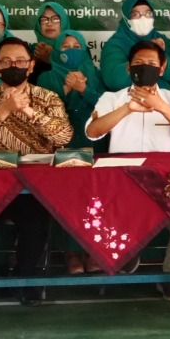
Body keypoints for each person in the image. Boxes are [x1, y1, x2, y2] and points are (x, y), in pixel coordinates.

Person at [0, 38, 74, 306]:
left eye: (20, 61)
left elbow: (64, 136)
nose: (14, 66)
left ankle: (25, 280)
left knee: (35, 222)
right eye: (6, 62)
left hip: (33, 187)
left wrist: (29, 111)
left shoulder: (48, 98)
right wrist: (2, 111)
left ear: (31, 66)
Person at [87, 41, 170, 300]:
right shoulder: (111, 98)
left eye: (151, 64)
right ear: (128, 68)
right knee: (101, 217)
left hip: (164, 183)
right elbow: (93, 132)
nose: (144, 68)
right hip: (121, 183)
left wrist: (161, 107)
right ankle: (128, 255)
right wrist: (127, 108)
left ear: (162, 69)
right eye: (138, 64)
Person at [36, 29, 107, 275]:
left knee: (95, 197)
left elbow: (106, 106)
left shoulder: (97, 75)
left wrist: (84, 89)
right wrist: (65, 90)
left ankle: (93, 250)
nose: (71, 50)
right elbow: (43, 111)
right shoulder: (46, 78)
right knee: (66, 198)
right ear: (56, 51)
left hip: (94, 144)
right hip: (61, 146)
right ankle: (71, 252)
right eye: (65, 47)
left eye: (77, 47)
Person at [100, 0, 170, 92]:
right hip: (129, 97)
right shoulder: (115, 44)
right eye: (136, 14)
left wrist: (161, 54)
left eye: (148, 13)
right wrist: (144, 57)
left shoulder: (161, 40)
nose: (143, 18)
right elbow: (113, 81)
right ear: (126, 18)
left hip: (162, 97)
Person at [29, 1, 68, 84]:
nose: (49, 24)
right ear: (38, 24)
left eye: (55, 19)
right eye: (44, 19)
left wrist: (51, 60)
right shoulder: (30, 51)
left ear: (64, 22)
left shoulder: (77, 49)